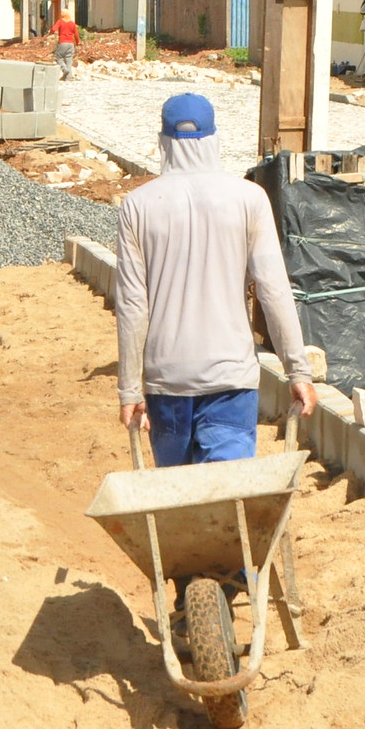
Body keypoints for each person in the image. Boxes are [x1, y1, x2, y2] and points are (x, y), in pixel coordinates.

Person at [116, 93, 317, 471]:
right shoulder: (248, 199)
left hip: (167, 381)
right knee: (228, 498)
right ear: (214, 139)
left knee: (179, 502)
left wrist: (129, 389)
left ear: (164, 142)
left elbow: (132, 304)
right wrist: (298, 371)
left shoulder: (138, 206)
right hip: (231, 381)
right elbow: (273, 290)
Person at [53, 7, 80, 81]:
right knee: (69, 60)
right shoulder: (72, 23)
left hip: (63, 42)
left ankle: (64, 69)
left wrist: (51, 32)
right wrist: (78, 42)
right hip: (71, 44)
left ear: (63, 15)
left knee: (58, 58)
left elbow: (54, 29)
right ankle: (68, 77)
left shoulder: (60, 22)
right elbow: (76, 34)